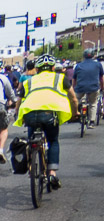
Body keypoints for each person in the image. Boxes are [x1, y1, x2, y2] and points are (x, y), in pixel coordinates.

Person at [15, 54, 77, 188]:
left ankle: (32, 163)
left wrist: (16, 113)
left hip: (30, 113)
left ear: (37, 69)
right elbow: (73, 98)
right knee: (53, 140)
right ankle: (52, 174)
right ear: (53, 68)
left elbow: (19, 100)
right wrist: (74, 112)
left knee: (32, 138)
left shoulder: (29, 81)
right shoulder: (60, 78)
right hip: (50, 114)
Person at [73, 48, 104, 127]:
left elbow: (74, 79)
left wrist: (74, 88)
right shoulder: (98, 65)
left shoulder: (78, 65)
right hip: (94, 87)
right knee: (93, 103)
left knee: (76, 100)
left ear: (84, 56)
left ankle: (77, 113)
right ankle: (92, 122)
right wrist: (102, 87)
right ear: (93, 55)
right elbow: (101, 78)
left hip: (80, 88)